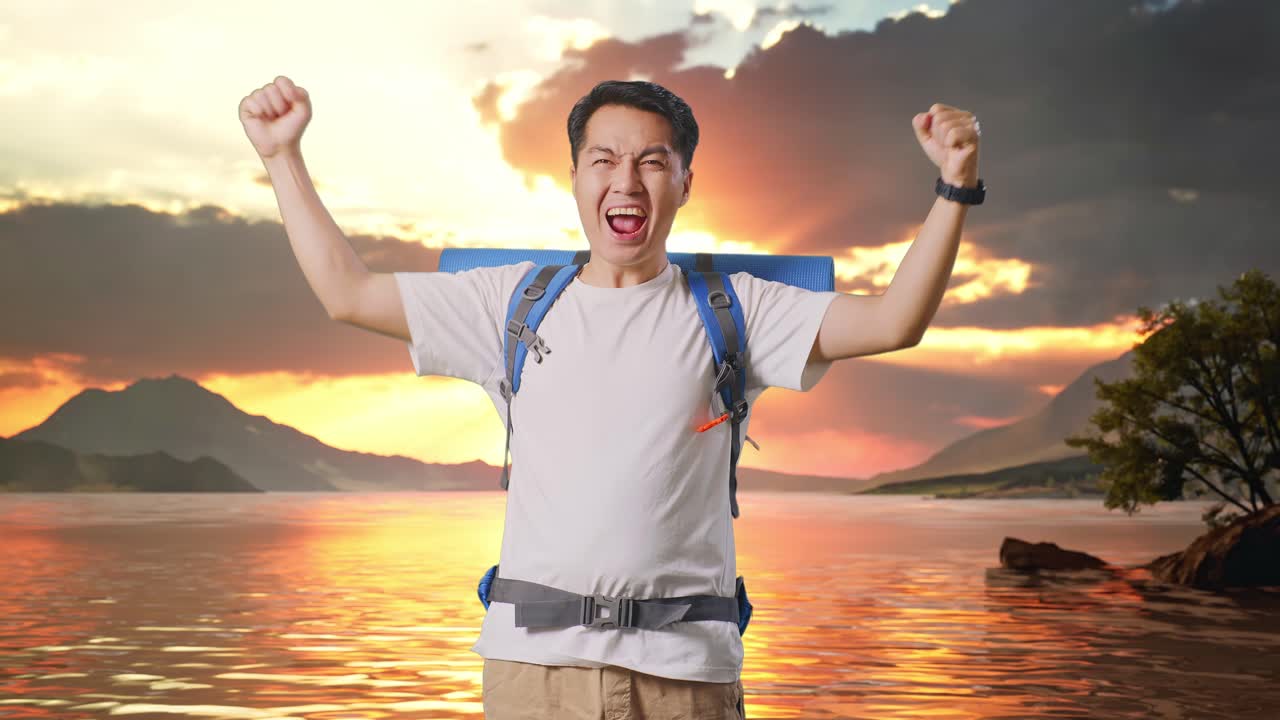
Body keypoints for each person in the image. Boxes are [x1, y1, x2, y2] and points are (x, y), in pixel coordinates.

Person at [240, 73, 981, 719]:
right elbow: (348, 292)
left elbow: (893, 322)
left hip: (688, 678)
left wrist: (953, 187)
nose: (626, 181)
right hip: (535, 676)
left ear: (684, 184)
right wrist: (282, 156)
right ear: (574, 177)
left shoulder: (735, 308)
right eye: (604, 159)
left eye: (652, 161)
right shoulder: (510, 303)